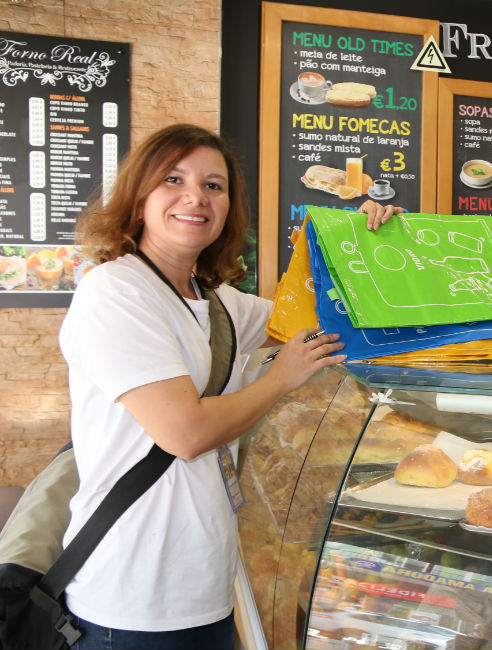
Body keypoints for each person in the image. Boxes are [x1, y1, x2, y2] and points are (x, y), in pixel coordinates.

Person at [58, 123, 401, 649]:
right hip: (130, 598)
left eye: (213, 186)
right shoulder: (116, 291)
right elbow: (185, 433)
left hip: (206, 587)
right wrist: (282, 379)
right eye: (173, 179)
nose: (195, 196)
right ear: (140, 197)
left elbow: (319, 322)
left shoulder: (216, 301)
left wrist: (358, 243)